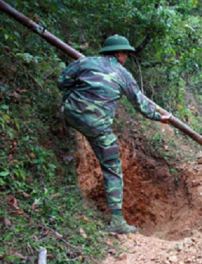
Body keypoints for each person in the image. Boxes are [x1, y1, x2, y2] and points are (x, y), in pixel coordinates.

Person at [57, 35, 171, 234]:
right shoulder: (124, 75)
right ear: (118, 53)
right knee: (112, 167)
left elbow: (62, 81)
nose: (126, 56)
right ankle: (117, 222)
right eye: (125, 53)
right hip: (97, 127)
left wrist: (73, 101)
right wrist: (159, 117)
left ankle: (62, 130)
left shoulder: (85, 61)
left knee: (70, 114)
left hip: (70, 113)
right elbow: (140, 105)